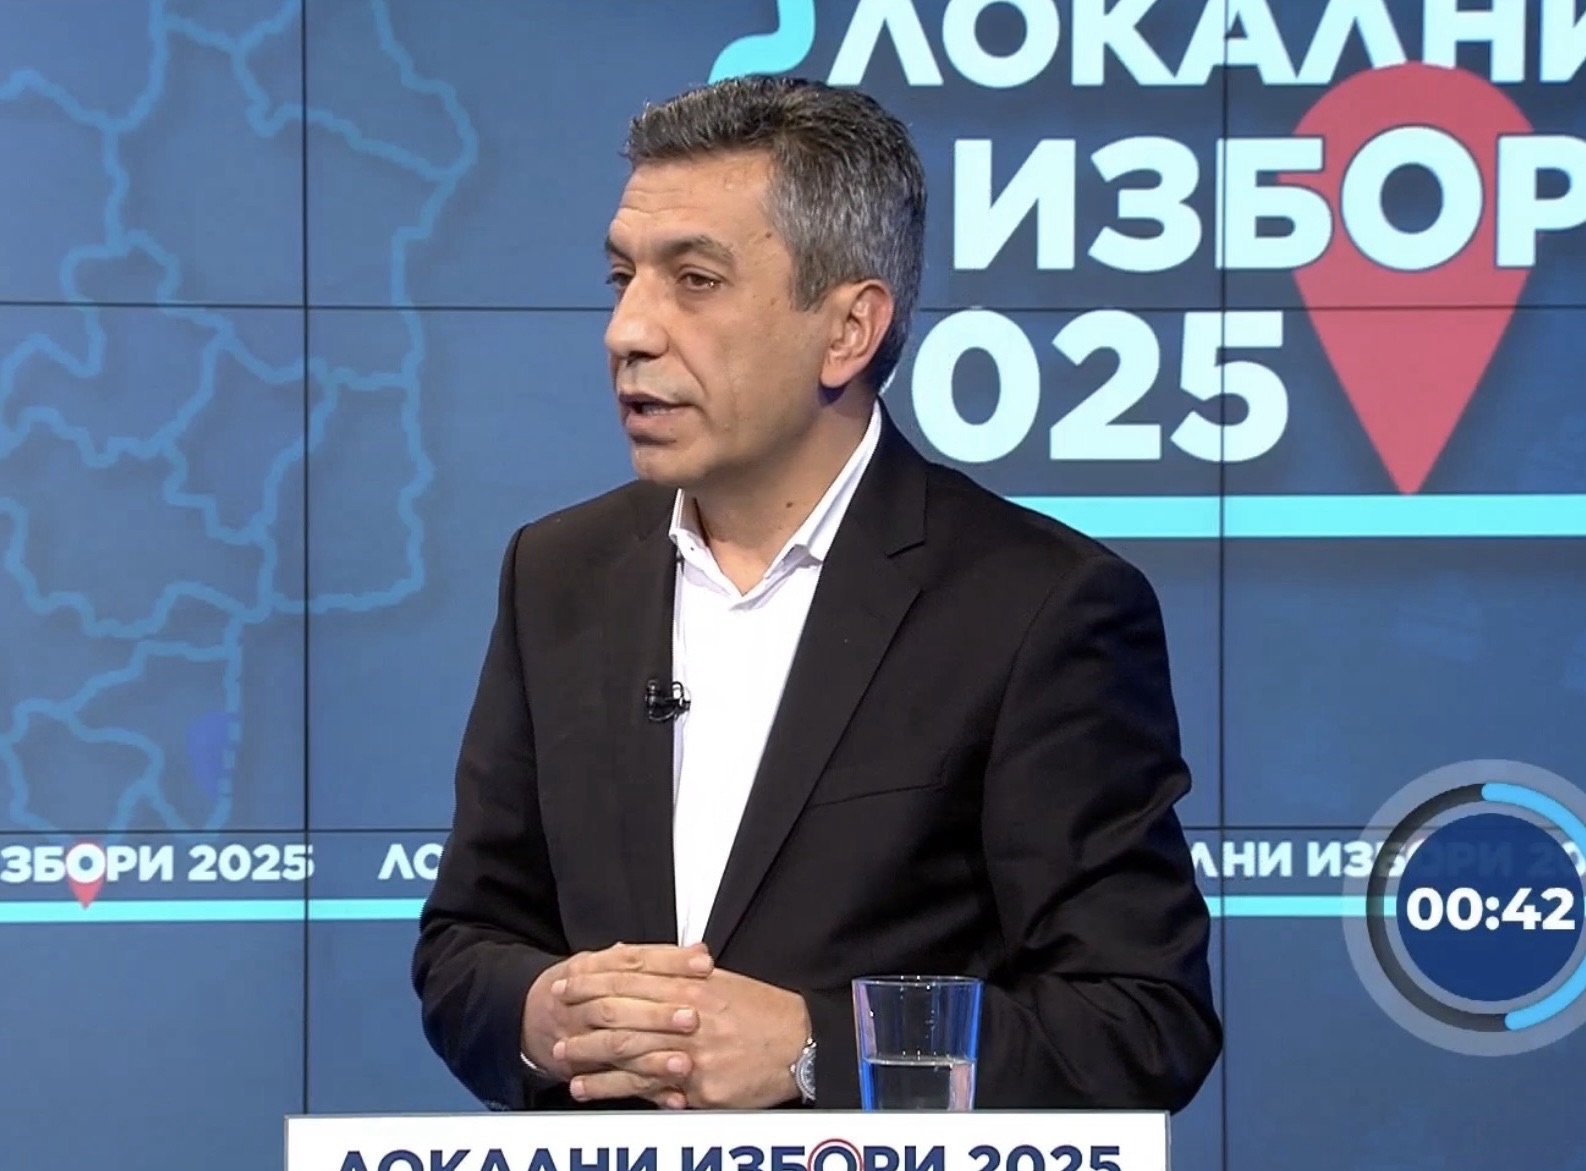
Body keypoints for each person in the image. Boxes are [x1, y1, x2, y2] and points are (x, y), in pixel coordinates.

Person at [412, 74, 1221, 1114]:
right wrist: (545, 1015)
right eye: (621, 277)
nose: (628, 330)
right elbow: (467, 946)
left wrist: (817, 1049)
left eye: (694, 280)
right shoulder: (557, 572)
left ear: (848, 329)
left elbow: (1138, 1022)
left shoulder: (1038, 607)